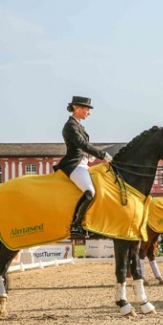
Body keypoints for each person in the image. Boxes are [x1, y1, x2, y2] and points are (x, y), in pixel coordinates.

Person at [53, 96, 112, 238]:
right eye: (87, 109)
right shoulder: (71, 127)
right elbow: (82, 145)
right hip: (74, 164)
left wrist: (90, 157)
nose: (89, 113)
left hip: (83, 163)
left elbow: (83, 148)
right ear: (77, 108)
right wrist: (102, 155)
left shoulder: (78, 125)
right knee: (90, 192)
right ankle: (75, 225)